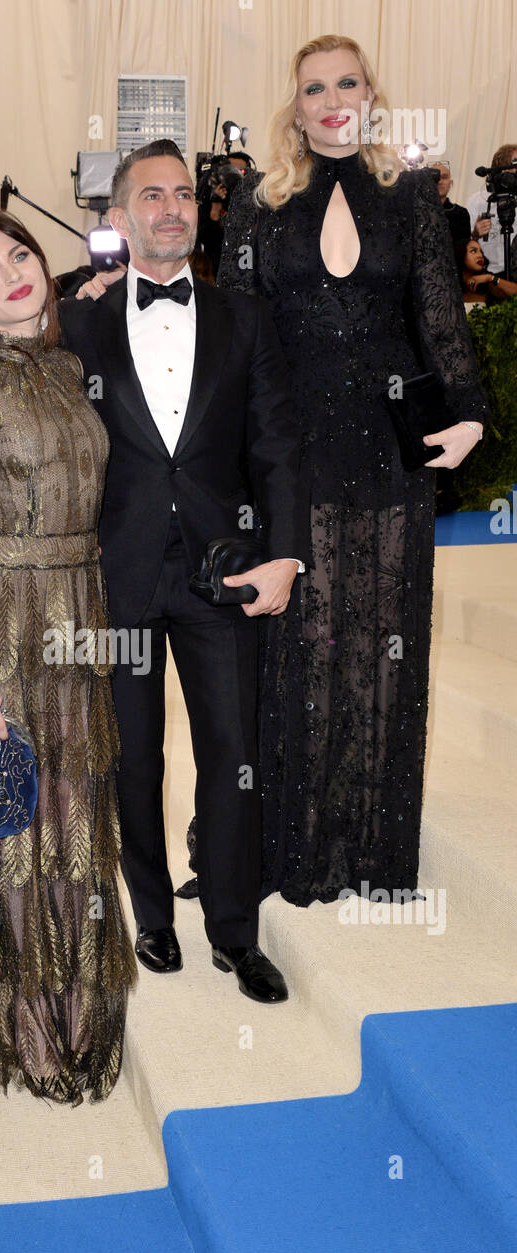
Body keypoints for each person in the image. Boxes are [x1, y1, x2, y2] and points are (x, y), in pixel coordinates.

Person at [218, 34, 487, 907]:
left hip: (387, 444)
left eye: (347, 82)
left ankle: (373, 838)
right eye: (313, 88)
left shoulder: (409, 198)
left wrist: (472, 411)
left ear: (372, 94)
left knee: (383, 638)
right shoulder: (258, 208)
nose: (332, 99)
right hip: (294, 451)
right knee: (307, 638)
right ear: (293, 107)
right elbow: (233, 340)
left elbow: (439, 319)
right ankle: (299, 838)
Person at [60, 140, 309, 1000]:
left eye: (181, 195)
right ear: (120, 218)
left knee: (233, 753)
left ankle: (236, 931)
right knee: (133, 761)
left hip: (225, 568)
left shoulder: (245, 315)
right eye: (150, 196)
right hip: (117, 575)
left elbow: (276, 442)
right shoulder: (77, 320)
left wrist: (284, 552)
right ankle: (154, 915)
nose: (170, 208)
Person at [0, 209, 136, 1116]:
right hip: (0, 620)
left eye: (22, 257)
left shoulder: (68, 367)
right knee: (12, 824)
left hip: (78, 616)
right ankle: (31, 1029)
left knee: (78, 817)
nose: (11, 275)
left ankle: (83, 1013)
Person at [467, 143, 517, 277]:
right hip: (488, 275)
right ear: (503, 169)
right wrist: (476, 234)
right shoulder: (477, 200)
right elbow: (466, 244)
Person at [455, 237, 517, 304]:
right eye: (473, 251)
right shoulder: (451, 283)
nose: (480, 255)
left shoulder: (486, 281)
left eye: (481, 251)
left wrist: (490, 278)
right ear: (461, 253)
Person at [430, 161, 471, 242]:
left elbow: (463, 247)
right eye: (435, 178)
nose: (440, 182)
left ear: (451, 183)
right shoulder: (417, 211)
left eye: (444, 177)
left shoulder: (460, 213)